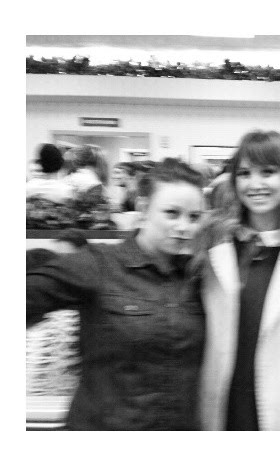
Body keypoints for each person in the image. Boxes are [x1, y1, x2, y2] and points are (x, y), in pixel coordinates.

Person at [27, 158, 207, 430]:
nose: (184, 227)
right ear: (143, 209)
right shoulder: (98, 264)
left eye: (194, 217)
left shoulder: (198, 278)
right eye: (172, 213)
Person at [192, 130, 280, 430]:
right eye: (245, 173)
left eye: (268, 172)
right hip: (222, 396)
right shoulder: (213, 241)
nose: (255, 184)